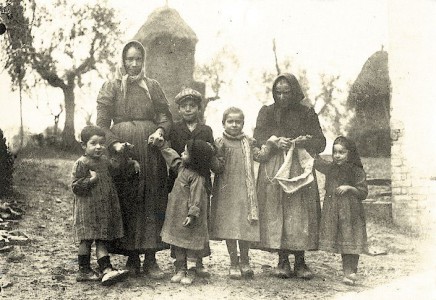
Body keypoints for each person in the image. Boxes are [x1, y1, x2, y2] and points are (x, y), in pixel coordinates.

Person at [96, 40, 172, 278]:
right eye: (129, 59)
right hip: (123, 151)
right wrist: (114, 144)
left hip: (150, 151)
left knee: (151, 199)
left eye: (138, 59)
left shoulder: (153, 86)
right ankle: (131, 258)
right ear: (123, 61)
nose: (134, 64)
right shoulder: (112, 87)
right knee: (128, 200)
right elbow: (101, 124)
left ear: (143, 61)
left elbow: (165, 117)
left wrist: (160, 131)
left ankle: (151, 259)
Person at [253, 73, 326, 279]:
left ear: (295, 92)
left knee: (299, 213)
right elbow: (258, 136)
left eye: (287, 92)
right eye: (278, 92)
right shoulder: (266, 112)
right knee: (278, 212)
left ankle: (300, 262)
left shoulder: (307, 112)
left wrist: (305, 141)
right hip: (275, 167)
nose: (282, 97)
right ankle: (282, 260)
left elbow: (320, 142)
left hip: (299, 167)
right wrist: (274, 141)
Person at [210, 107, 272, 279]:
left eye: (238, 122)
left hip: (245, 191)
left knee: (245, 226)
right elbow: (216, 166)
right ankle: (233, 262)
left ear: (243, 124)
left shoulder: (249, 142)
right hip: (226, 191)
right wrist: (217, 152)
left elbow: (260, 156)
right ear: (223, 123)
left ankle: (245, 260)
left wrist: (270, 144)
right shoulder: (219, 142)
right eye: (230, 121)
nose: (234, 125)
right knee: (230, 226)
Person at [72, 125, 136, 285]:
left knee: (102, 239)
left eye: (101, 143)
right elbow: (75, 186)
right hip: (87, 209)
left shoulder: (104, 161)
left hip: (103, 208)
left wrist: (128, 159)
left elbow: (116, 168)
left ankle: (106, 269)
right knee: (86, 239)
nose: (98, 147)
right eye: (93, 143)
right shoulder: (82, 163)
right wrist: (91, 180)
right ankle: (84, 270)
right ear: (83, 145)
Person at [168, 87, 214, 278]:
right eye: (184, 106)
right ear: (178, 109)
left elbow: (211, 151)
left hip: (201, 178)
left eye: (192, 106)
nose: (188, 109)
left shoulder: (206, 129)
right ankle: (180, 264)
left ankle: (199, 262)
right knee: (179, 220)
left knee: (199, 220)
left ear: (199, 109)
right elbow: (169, 151)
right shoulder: (175, 129)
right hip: (180, 178)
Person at [314, 136, 368, 285]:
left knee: (352, 239)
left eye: (342, 152)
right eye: (335, 152)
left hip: (352, 211)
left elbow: (363, 192)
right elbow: (317, 163)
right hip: (335, 210)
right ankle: (347, 272)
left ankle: (351, 272)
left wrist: (349, 188)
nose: (337, 156)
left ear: (350, 153)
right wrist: (310, 150)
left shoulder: (356, 170)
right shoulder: (331, 168)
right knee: (344, 240)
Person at [159, 140, 215, 285]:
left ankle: (190, 271)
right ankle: (180, 269)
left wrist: (192, 214)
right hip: (177, 214)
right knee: (178, 243)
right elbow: (173, 159)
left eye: (185, 152)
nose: (182, 154)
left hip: (189, 216)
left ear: (195, 158)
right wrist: (163, 147)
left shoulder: (197, 177)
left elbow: (197, 198)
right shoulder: (182, 168)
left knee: (190, 245)